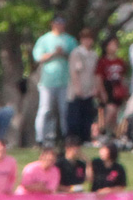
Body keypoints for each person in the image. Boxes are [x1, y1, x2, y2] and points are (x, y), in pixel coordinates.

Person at [32, 15, 78, 145]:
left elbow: (75, 57)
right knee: (45, 109)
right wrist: (53, 53)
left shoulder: (70, 40)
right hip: (47, 82)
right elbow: (38, 57)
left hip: (65, 81)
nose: (60, 25)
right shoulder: (44, 39)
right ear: (52, 23)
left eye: (62, 22)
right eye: (57, 22)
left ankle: (65, 136)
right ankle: (40, 138)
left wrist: (63, 53)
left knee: (64, 110)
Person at [67, 28, 98, 146]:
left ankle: (86, 138)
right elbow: (74, 72)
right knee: (75, 117)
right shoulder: (77, 53)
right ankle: (74, 140)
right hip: (76, 90)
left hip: (89, 89)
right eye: (85, 39)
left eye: (89, 39)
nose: (87, 41)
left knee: (87, 116)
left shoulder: (94, 54)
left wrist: (94, 87)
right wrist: (77, 87)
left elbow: (95, 72)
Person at [95, 36, 130, 140]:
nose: (114, 47)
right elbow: (99, 78)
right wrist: (102, 92)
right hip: (107, 87)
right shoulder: (102, 61)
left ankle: (113, 136)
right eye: (111, 44)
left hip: (117, 88)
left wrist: (125, 90)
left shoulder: (120, 61)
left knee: (116, 114)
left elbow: (123, 77)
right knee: (110, 110)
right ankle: (100, 132)